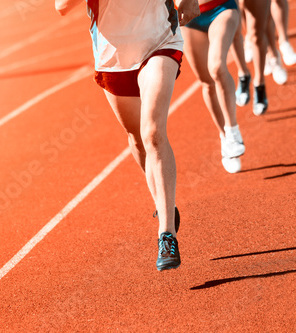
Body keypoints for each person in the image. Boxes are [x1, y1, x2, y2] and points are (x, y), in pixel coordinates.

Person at [55, 0, 200, 271]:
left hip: (159, 41)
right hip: (113, 58)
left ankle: (166, 233)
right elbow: (61, 6)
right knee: (136, 137)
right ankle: (164, 203)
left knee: (153, 132)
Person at [180, 0, 245, 174]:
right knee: (207, 83)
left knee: (216, 66)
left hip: (221, 8)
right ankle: (225, 138)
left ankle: (232, 130)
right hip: (189, 19)